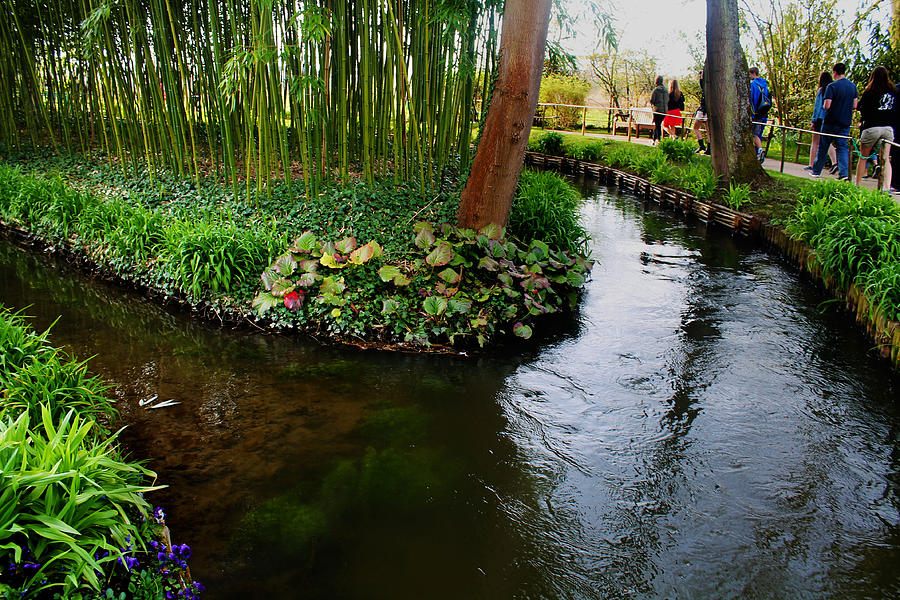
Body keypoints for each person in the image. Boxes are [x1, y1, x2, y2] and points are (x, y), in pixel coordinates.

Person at [810, 62, 858, 181]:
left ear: (835, 72)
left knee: (823, 146)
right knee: (842, 146)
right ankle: (844, 173)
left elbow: (827, 105)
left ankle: (816, 170)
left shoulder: (832, 86)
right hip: (845, 121)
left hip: (831, 121)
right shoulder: (852, 86)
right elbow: (855, 105)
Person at [854, 66, 895, 191]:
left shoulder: (870, 92)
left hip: (872, 127)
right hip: (888, 128)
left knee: (863, 156)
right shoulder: (894, 92)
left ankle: (858, 184)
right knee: (886, 158)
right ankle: (886, 187)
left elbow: (861, 108)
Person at [804, 71, 837, 173]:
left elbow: (817, 107)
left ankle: (811, 163)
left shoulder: (821, 91)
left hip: (819, 119)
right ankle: (835, 161)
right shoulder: (832, 90)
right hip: (828, 118)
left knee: (815, 142)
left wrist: (813, 120)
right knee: (827, 141)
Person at [749, 67, 771, 163]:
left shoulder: (753, 84)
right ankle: (757, 154)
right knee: (759, 134)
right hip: (763, 114)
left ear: (753, 73)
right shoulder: (764, 85)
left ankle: (760, 150)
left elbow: (751, 99)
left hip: (755, 114)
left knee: (754, 134)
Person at [693, 70, 711, 155]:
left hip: (703, 109)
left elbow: (702, 85)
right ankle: (709, 148)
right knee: (708, 130)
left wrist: (701, 77)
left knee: (696, 127)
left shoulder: (706, 86)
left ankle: (702, 145)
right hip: (709, 109)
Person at [650, 76, 668, 145]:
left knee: (658, 125)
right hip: (664, 110)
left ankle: (658, 139)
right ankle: (654, 139)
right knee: (658, 124)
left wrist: (653, 104)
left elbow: (652, 100)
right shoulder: (666, 90)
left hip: (657, 110)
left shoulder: (656, 90)